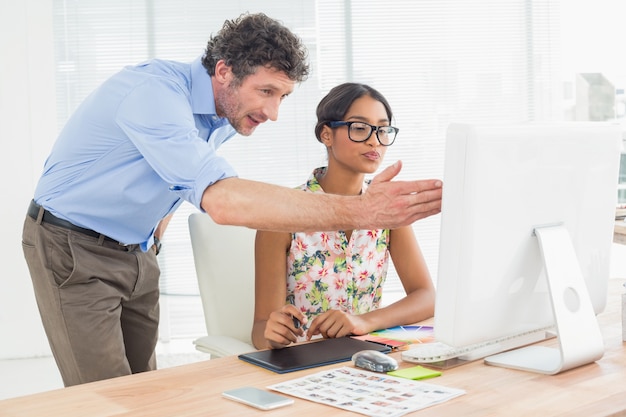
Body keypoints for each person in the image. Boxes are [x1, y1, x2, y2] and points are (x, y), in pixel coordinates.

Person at [22, 13, 442, 386]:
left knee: (143, 391)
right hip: (73, 248)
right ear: (224, 71)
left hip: (137, 253)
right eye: (266, 92)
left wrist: (150, 236)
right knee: (103, 396)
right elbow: (221, 202)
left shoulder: (223, 113)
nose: (273, 112)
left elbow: (174, 177)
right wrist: (363, 211)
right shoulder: (153, 95)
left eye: (283, 97)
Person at [252, 83, 436, 350]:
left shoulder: (389, 210)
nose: (374, 140)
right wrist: (273, 334)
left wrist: (361, 322)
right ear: (327, 134)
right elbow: (259, 330)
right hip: (305, 361)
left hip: (370, 355)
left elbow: (427, 296)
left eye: (382, 129)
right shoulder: (283, 215)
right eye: (359, 127)